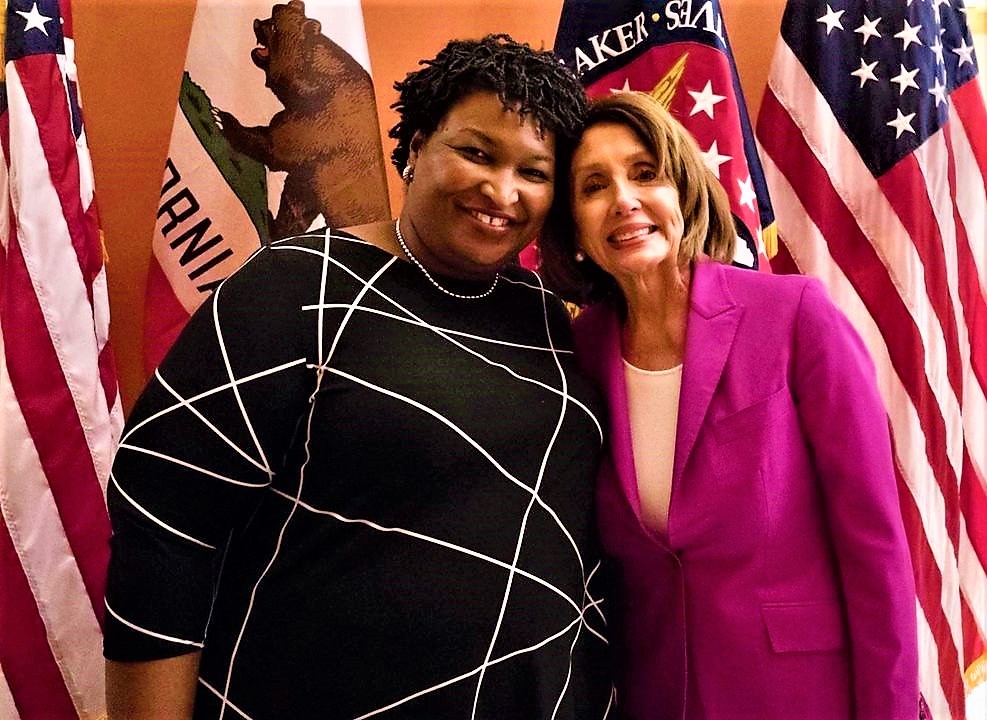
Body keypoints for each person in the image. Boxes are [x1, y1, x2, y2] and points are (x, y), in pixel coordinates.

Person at [103, 35, 614, 719]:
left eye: (534, 172)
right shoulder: (295, 285)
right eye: (476, 152)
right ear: (417, 143)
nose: (502, 190)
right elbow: (162, 524)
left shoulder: (556, 323)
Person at [539, 91, 918, 720]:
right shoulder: (575, 354)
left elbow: (874, 542)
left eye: (644, 173)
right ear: (575, 228)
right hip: (659, 695)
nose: (624, 201)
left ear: (683, 192)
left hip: (803, 694)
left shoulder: (795, 316)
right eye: (593, 186)